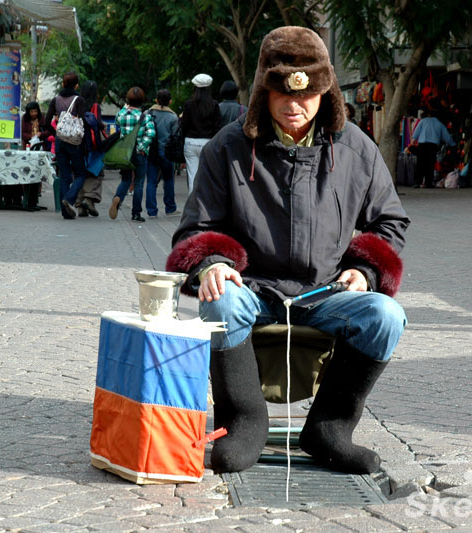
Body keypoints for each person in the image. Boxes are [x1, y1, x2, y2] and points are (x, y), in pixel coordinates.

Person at [166, 26, 409, 475]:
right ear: (264, 91)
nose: (295, 105)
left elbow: (389, 222)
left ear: (325, 93)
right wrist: (213, 263)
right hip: (253, 289)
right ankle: (244, 421)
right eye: (282, 93)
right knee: (221, 299)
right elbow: (194, 229)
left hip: (326, 293)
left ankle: (329, 428)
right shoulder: (228, 147)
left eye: (308, 95)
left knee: (386, 316)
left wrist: (364, 272)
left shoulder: (357, 147)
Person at [45, 71, 87, 219]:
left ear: (63, 84)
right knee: (81, 174)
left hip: (60, 142)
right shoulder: (79, 100)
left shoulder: (55, 100)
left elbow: (46, 122)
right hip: (75, 143)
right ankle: (69, 199)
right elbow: (82, 122)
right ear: (76, 85)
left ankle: (65, 213)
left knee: (64, 176)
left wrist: (57, 132)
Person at [110, 86, 155, 221]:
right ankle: (136, 213)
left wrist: (125, 108)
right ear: (142, 100)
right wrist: (141, 147)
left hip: (125, 153)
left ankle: (118, 197)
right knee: (139, 182)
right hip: (139, 153)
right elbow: (151, 133)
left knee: (126, 179)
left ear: (128, 100)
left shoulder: (121, 114)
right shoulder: (145, 117)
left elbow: (116, 121)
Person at [180, 73, 220, 192]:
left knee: (192, 175)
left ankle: (193, 205)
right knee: (207, 175)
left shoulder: (188, 104)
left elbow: (184, 125)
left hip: (191, 142)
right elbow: (217, 127)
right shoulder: (214, 105)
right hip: (208, 143)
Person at [145, 89, 180, 218]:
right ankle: (170, 208)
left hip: (151, 152)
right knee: (169, 179)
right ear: (170, 101)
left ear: (156, 100)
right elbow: (175, 135)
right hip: (167, 152)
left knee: (151, 181)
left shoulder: (148, 113)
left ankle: (151, 211)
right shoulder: (173, 117)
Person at [77, 80, 107, 217]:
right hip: (93, 145)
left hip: (78, 143)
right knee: (96, 172)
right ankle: (89, 199)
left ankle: (80, 205)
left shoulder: (77, 103)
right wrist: (103, 126)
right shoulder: (95, 106)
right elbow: (98, 123)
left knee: (79, 173)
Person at [410, 108, 455, 188]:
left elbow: (416, 132)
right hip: (432, 146)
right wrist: (453, 144)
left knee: (420, 164)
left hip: (422, 145)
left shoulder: (423, 121)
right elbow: (446, 137)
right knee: (430, 165)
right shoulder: (439, 124)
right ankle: (428, 183)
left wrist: (413, 139)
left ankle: (417, 182)